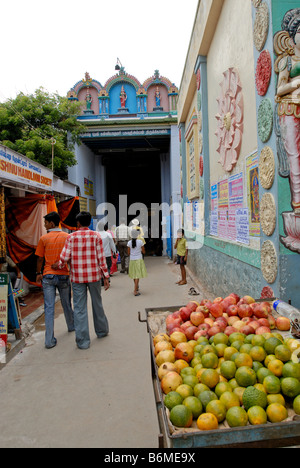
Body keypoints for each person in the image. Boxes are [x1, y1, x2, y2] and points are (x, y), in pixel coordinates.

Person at [54, 211, 110, 350]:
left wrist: (59, 265)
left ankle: (83, 342)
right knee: (97, 303)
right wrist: (106, 277)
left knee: (79, 308)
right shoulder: (96, 236)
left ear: (78, 223)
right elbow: (101, 258)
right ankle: (102, 331)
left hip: (77, 278)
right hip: (94, 277)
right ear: (89, 222)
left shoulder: (71, 237)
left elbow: (65, 257)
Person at [35, 211, 75, 349]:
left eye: (46, 222)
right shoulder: (67, 237)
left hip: (48, 276)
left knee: (49, 307)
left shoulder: (43, 239)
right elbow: (70, 257)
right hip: (64, 274)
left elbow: (40, 258)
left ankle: (49, 340)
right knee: (66, 303)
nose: (45, 225)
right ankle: (71, 326)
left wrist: (38, 273)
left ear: (51, 223)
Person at [127, 229, 147, 296]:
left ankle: (136, 286)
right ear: (137, 235)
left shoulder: (129, 243)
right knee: (137, 275)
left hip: (132, 260)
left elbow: (128, 253)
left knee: (134, 274)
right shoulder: (140, 242)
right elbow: (143, 251)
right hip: (139, 259)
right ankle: (135, 291)